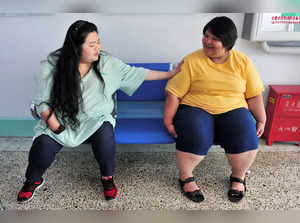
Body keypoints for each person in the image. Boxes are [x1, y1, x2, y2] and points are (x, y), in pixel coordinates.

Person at [17, 20, 180, 203]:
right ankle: (33, 179)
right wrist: (54, 125)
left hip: (96, 118)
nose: (98, 48)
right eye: (92, 44)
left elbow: (136, 73)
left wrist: (170, 74)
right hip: (62, 119)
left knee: (105, 139)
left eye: (98, 42)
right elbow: (42, 101)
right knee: (42, 147)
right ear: (76, 47)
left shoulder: (107, 63)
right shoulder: (52, 65)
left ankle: (107, 178)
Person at [164, 16, 266, 203]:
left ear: (227, 43)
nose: (207, 41)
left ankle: (238, 176)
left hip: (233, 107)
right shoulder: (192, 60)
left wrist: (261, 119)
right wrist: (168, 121)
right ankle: (185, 176)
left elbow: (253, 94)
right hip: (196, 106)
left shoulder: (243, 61)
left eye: (214, 38)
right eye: (205, 36)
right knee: (195, 133)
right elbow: (174, 93)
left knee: (245, 132)